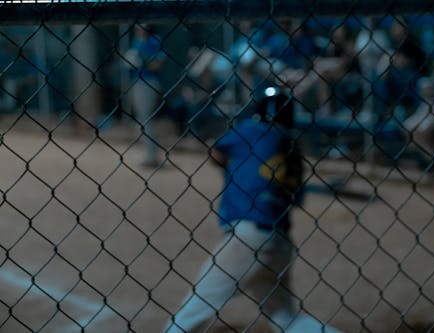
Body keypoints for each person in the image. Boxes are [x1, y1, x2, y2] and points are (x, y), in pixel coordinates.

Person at [162, 87, 343, 333]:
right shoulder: (293, 149)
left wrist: (234, 169)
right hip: (279, 241)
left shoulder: (250, 129)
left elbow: (216, 152)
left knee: (195, 308)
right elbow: (296, 199)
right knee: (285, 320)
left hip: (247, 236)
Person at [125, 24, 166, 168]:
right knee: (142, 118)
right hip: (137, 81)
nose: (137, 30)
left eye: (139, 27)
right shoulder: (137, 41)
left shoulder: (154, 40)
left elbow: (158, 63)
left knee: (146, 118)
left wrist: (142, 63)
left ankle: (151, 155)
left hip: (149, 82)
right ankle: (148, 152)